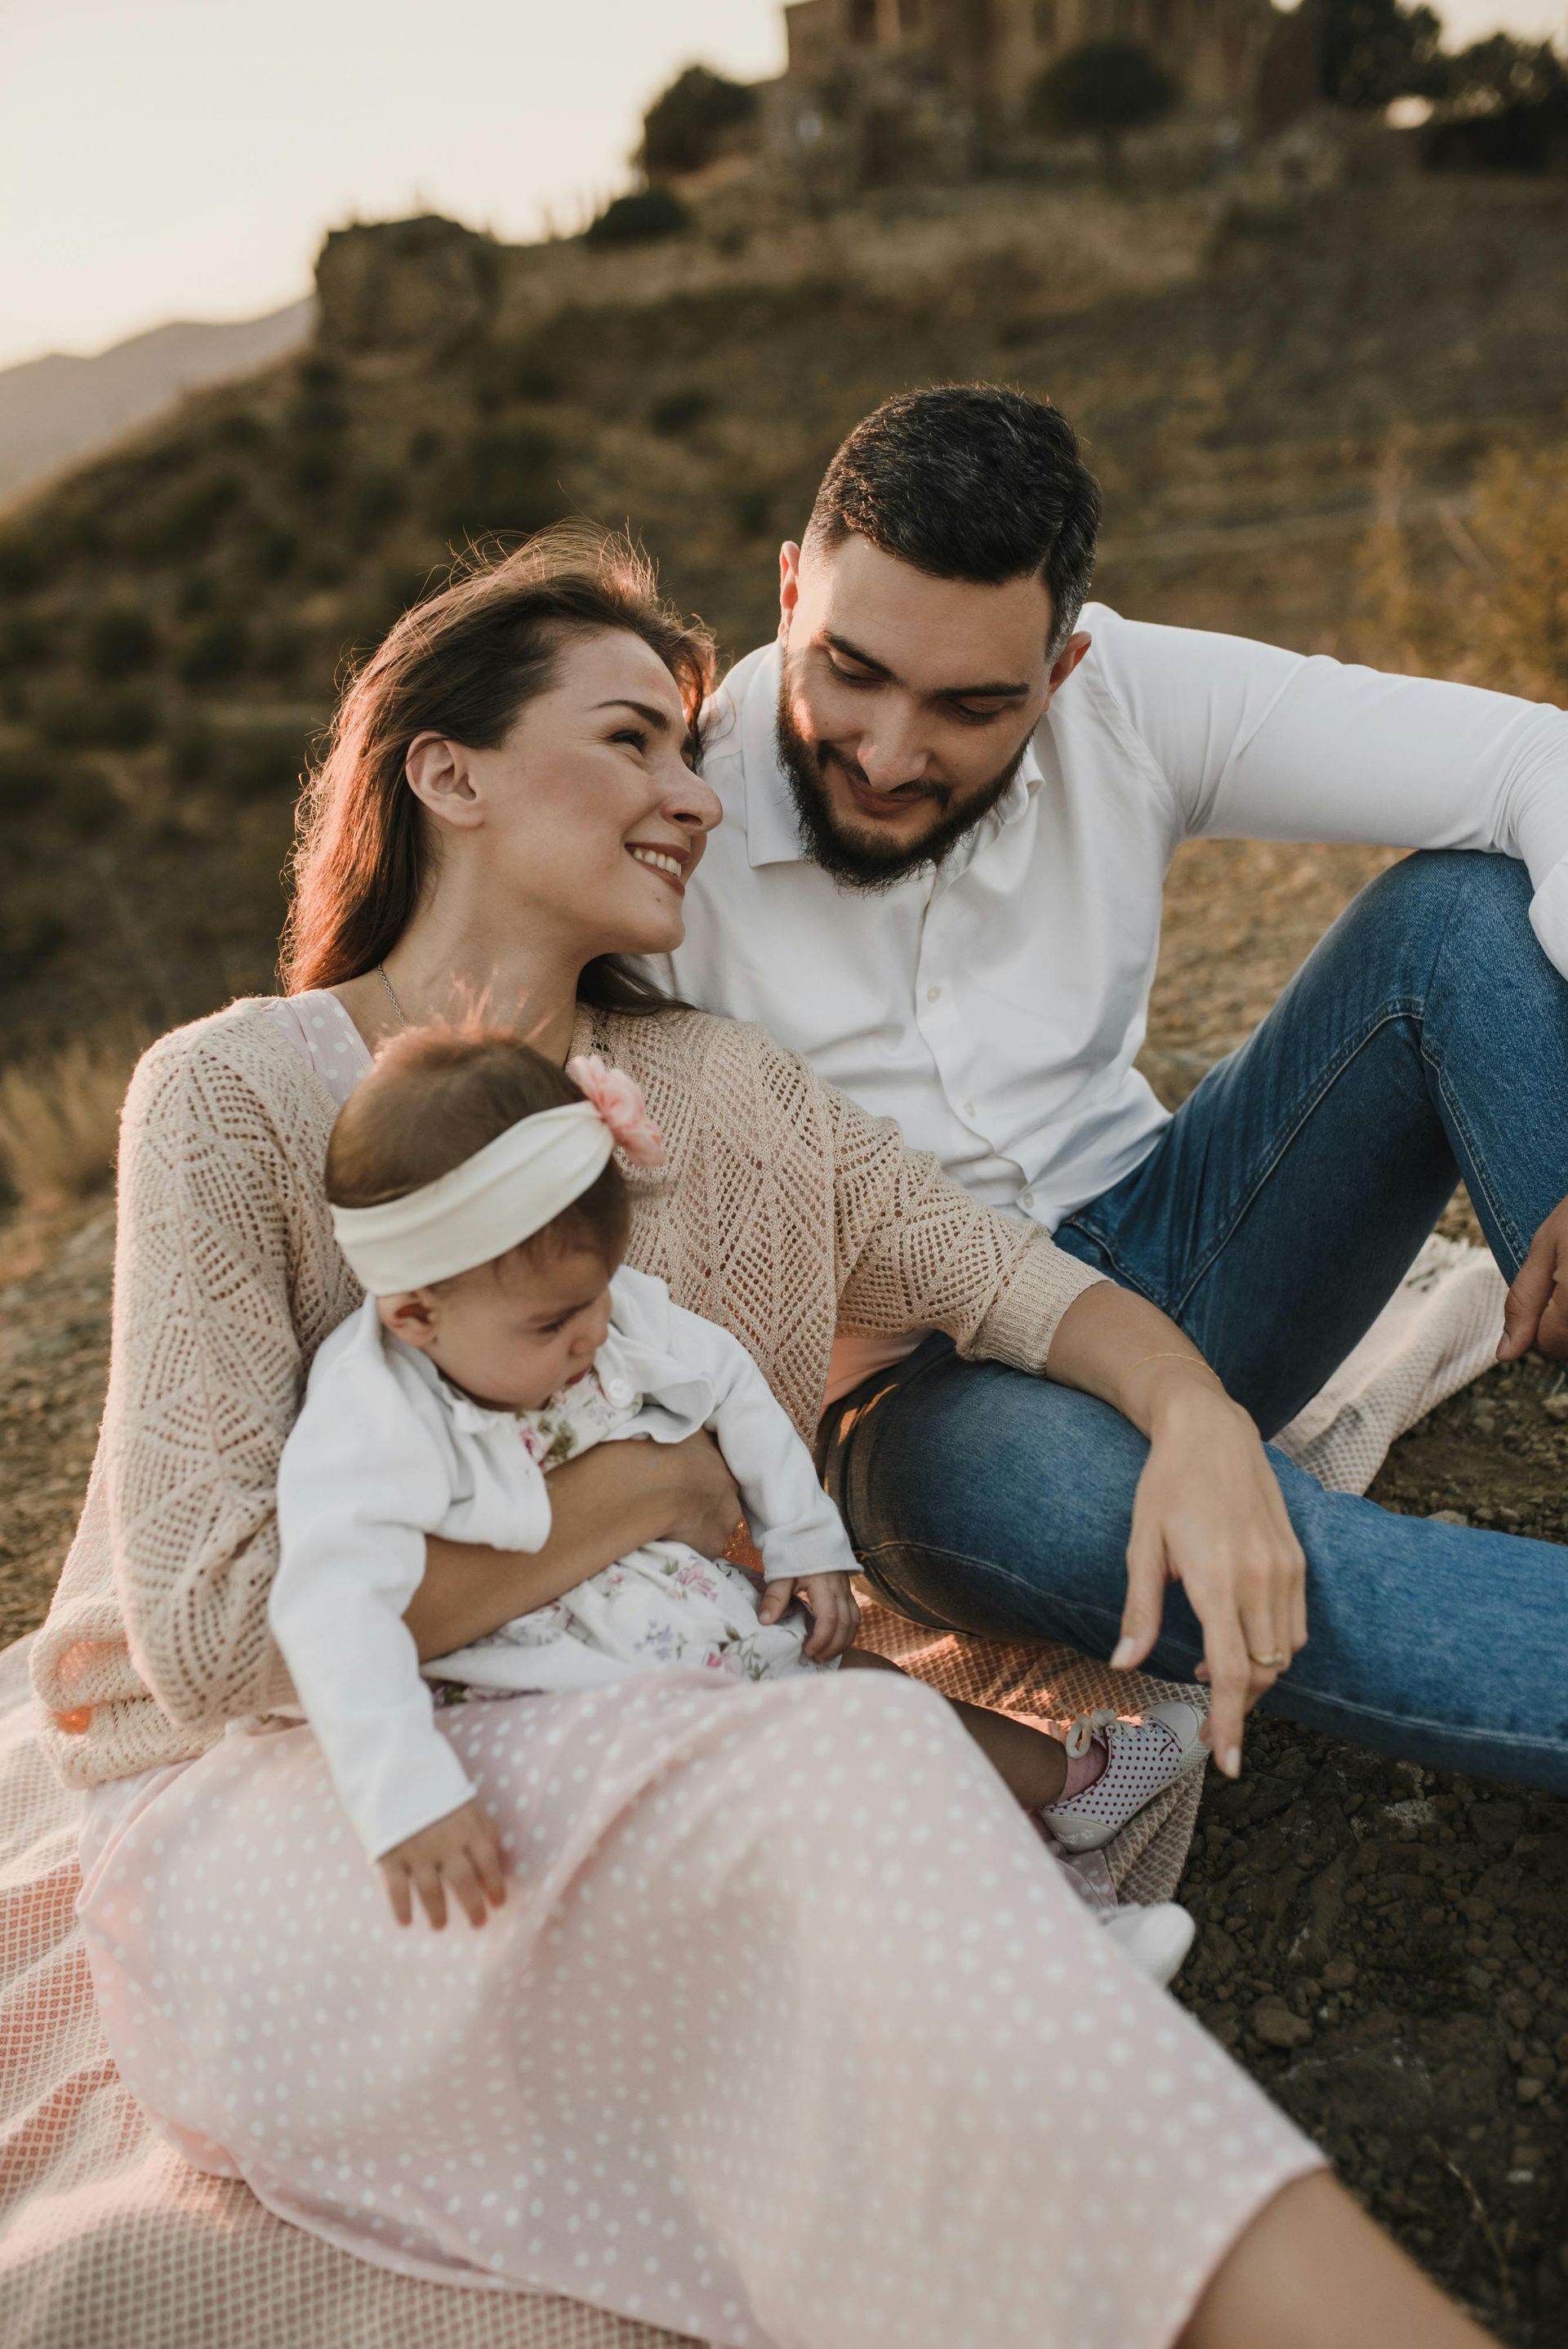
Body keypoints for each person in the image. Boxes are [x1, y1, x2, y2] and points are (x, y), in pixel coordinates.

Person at [28, 526, 1503, 2347]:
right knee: (852, 1768)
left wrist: (1194, 1410)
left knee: (848, 1794)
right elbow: (216, 1630)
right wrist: (640, 1493)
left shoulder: (722, 1093)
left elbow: (1022, 1286)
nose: (693, 791)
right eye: (633, 739)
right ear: (446, 769)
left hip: (637, 1738)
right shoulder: (234, 1093)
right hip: (310, 1817)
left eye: (688, 746)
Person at [650, 383, 1568, 1770]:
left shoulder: (1124, 700)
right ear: (791, 590)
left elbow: (1529, 763)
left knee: (1460, 918)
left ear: (1063, 670)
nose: (893, 753)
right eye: (851, 670)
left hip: (1186, 1253)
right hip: (927, 1406)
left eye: (972, 705)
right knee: (1167, 1526)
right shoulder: (661, 830)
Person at [272, 1024, 1203, 1960]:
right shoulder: (370, 1415)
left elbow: (727, 1380)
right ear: (415, 1314)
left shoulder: (605, 1311)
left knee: (887, 1710)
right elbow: (333, 1609)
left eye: (598, 1295)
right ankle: (1030, 1961)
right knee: (829, 1833)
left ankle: (1076, 1802)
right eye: (554, 1322)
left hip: (718, 1633)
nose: (595, 1331)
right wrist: (407, 1794)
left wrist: (802, 1537)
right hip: (588, 1719)